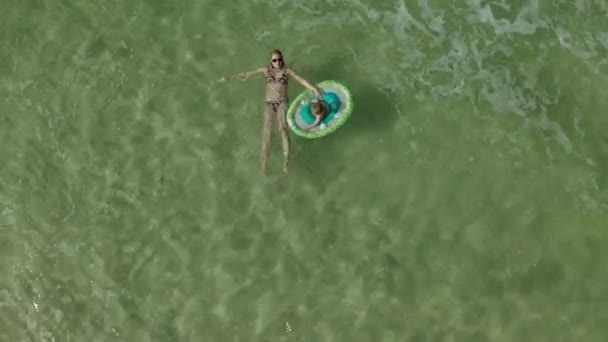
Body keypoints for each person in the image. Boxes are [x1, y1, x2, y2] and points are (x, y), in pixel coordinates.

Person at [219, 49, 323, 174]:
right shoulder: (265, 70)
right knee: (266, 132)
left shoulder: (287, 71)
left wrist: (314, 89)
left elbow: (301, 80)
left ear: (282, 59)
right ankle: (264, 163)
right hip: (269, 104)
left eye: (279, 59)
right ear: (271, 61)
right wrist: (229, 78)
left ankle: (286, 160)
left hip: (282, 103)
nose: (277, 62)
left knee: (283, 129)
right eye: (274, 60)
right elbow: (247, 75)